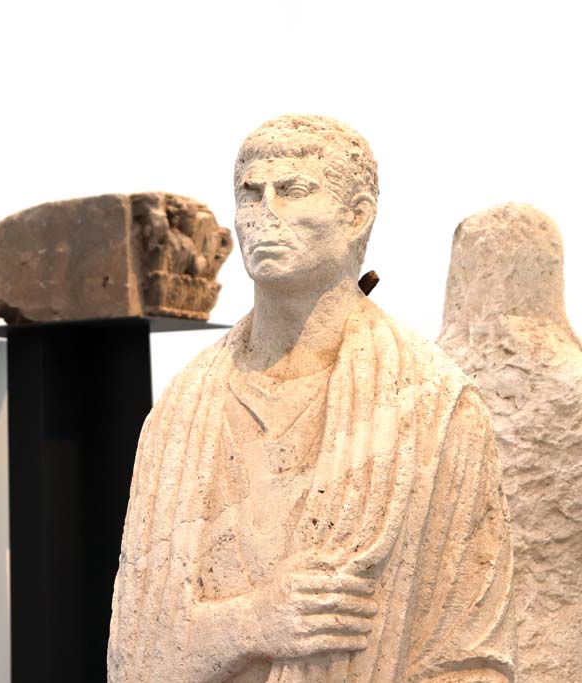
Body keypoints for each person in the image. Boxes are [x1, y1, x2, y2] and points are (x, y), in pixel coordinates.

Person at [107, 115, 516, 682]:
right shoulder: (181, 412)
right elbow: (136, 651)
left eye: (293, 190)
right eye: (250, 193)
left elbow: (472, 660)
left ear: (357, 215)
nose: (263, 213)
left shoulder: (434, 405)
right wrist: (251, 622)